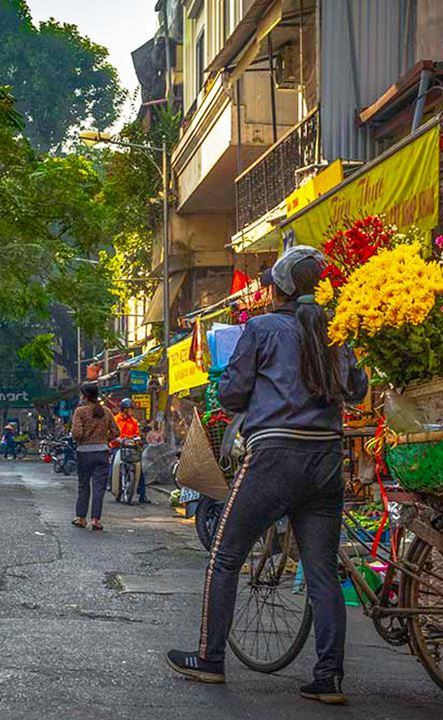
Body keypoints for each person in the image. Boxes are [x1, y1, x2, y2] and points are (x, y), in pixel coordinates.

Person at [165, 246, 367, 706]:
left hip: (274, 455)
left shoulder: (260, 327)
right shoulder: (334, 331)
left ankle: (210, 659)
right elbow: (357, 390)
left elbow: (232, 395)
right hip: (326, 460)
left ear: (277, 289)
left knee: (225, 555)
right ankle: (329, 678)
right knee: (321, 571)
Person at [70, 383, 119, 531]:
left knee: (84, 485)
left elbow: (76, 433)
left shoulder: (80, 412)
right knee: (99, 488)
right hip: (102, 453)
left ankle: (81, 518)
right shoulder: (107, 411)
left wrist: (83, 439)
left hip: (84, 453)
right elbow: (116, 432)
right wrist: (104, 440)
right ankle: (96, 520)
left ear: (84, 396)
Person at [112, 399, 147, 503]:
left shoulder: (134, 421)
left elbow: (137, 434)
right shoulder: (116, 420)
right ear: (125, 410)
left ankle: (142, 494)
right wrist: (116, 438)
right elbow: (111, 433)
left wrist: (138, 438)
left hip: (131, 448)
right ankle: (111, 484)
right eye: (131, 409)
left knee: (139, 468)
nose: (132, 412)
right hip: (118, 447)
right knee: (115, 463)